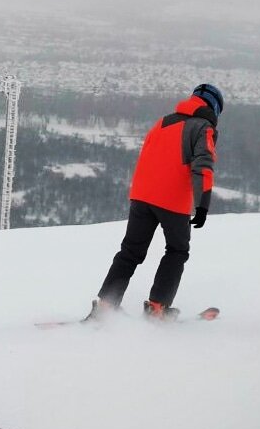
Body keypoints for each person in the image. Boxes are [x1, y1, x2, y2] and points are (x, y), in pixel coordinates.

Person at [90, 83, 223, 321]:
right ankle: (157, 308)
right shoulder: (203, 127)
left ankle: (106, 305)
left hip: (141, 196)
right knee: (177, 250)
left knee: (130, 251)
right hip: (172, 201)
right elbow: (202, 166)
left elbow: (148, 156)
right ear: (214, 107)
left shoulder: (162, 122)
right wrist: (202, 204)